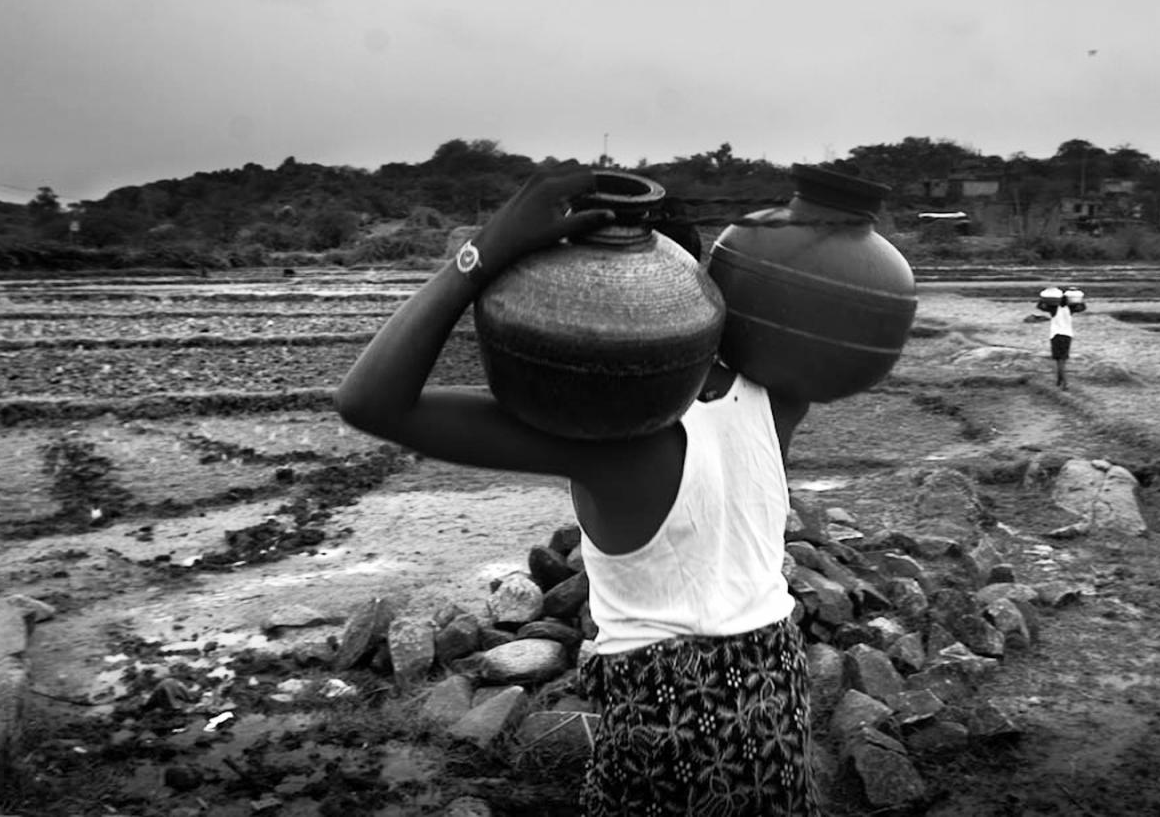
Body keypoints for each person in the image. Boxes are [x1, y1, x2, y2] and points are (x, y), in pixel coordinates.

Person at [333, 167, 821, 816]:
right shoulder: (778, 394)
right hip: (777, 693)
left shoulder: (610, 442)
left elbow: (369, 402)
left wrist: (480, 258)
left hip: (668, 722)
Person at [1037, 285, 1086, 389]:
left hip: (1055, 335)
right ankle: (1060, 381)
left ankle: (1064, 382)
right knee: (1062, 359)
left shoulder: (1053, 309)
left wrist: (1042, 298)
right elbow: (1082, 307)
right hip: (1067, 335)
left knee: (1059, 359)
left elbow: (1040, 306)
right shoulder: (1070, 309)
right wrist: (1079, 299)